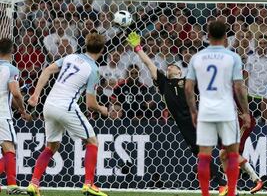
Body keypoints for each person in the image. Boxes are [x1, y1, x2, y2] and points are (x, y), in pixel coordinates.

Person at [126, 32, 227, 189]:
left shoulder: (187, 81)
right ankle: (223, 184)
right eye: (168, 67)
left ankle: (233, 175)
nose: (170, 67)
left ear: (180, 72)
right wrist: (137, 47)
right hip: (183, 124)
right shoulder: (163, 83)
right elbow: (148, 63)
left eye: (174, 66)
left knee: (219, 146)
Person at [26, 33, 109, 196]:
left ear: (85, 44)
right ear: (102, 50)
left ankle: (33, 184)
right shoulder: (93, 69)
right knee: (92, 141)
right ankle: (89, 184)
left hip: (49, 105)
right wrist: (102, 109)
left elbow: (47, 70)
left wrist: (36, 94)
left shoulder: (70, 57)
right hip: (66, 106)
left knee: (51, 146)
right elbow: (90, 104)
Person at [185, 20, 251, 196]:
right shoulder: (232, 57)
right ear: (225, 37)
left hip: (206, 110)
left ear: (208, 35)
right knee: (231, 153)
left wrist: (193, 111)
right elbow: (239, 87)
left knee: (204, 155)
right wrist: (245, 111)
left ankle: (205, 193)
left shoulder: (197, 57)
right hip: (226, 110)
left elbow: (188, 87)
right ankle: (231, 193)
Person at [0, 38, 31, 194]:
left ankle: (11, 185)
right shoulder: (11, 69)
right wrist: (23, 110)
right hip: (2, 115)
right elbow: (16, 93)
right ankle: (12, 185)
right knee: (9, 149)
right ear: (12, 51)